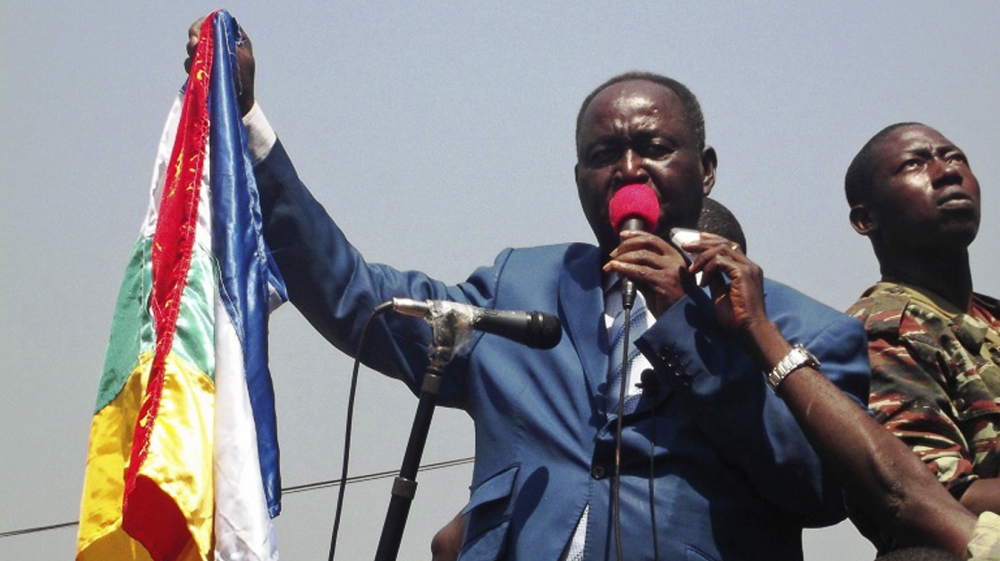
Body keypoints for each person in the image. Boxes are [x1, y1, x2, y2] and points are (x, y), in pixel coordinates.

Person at [188, 18, 872, 560]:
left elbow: (817, 489)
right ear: (580, 179)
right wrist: (247, 123)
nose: (629, 168)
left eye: (655, 147)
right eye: (605, 155)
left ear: (707, 168)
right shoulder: (523, 282)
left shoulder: (804, 328)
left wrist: (684, 325)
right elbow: (357, 295)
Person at [430, 196, 749, 561]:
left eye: (689, 269)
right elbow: (446, 543)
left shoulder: (744, 371)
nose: (663, 278)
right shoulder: (580, 343)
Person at [841, 123, 1000, 550]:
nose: (947, 172)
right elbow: (933, 498)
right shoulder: (882, 329)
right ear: (865, 218)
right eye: (914, 163)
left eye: (955, 157)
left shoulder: (989, 318)